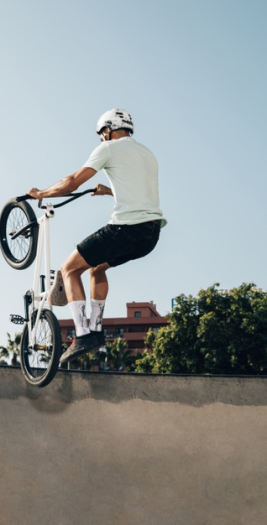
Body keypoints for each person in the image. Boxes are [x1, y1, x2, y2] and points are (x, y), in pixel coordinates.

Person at [27, 109, 167, 363]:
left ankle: (82, 335)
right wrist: (109, 191)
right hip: (151, 233)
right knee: (96, 269)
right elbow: (140, 193)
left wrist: (42, 194)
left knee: (69, 269)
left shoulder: (109, 148)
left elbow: (71, 183)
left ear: (109, 130)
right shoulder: (148, 154)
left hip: (126, 228)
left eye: (102, 135)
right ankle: (96, 329)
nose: (102, 140)